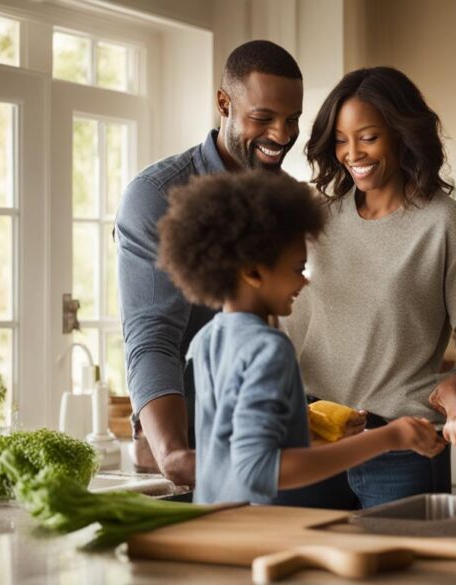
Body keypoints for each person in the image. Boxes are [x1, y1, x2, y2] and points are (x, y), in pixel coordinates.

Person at [285, 66, 456, 508]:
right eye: (340, 139)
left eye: (368, 136)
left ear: (400, 133)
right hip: (309, 439)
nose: (352, 152)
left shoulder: (445, 224)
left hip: (401, 451)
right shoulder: (315, 219)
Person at [155, 171, 443, 505]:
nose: (303, 283)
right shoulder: (268, 348)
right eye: (297, 269)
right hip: (255, 529)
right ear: (253, 271)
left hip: (216, 522)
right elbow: (259, 470)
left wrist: (314, 431)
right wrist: (389, 437)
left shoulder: (207, 340)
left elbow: (231, 454)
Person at [115, 40, 310, 487]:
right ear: (224, 102)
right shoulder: (158, 196)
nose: (282, 135)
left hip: (261, 444)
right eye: (263, 118)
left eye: (293, 119)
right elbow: (153, 335)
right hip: (193, 452)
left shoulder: (284, 198)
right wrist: (172, 453)